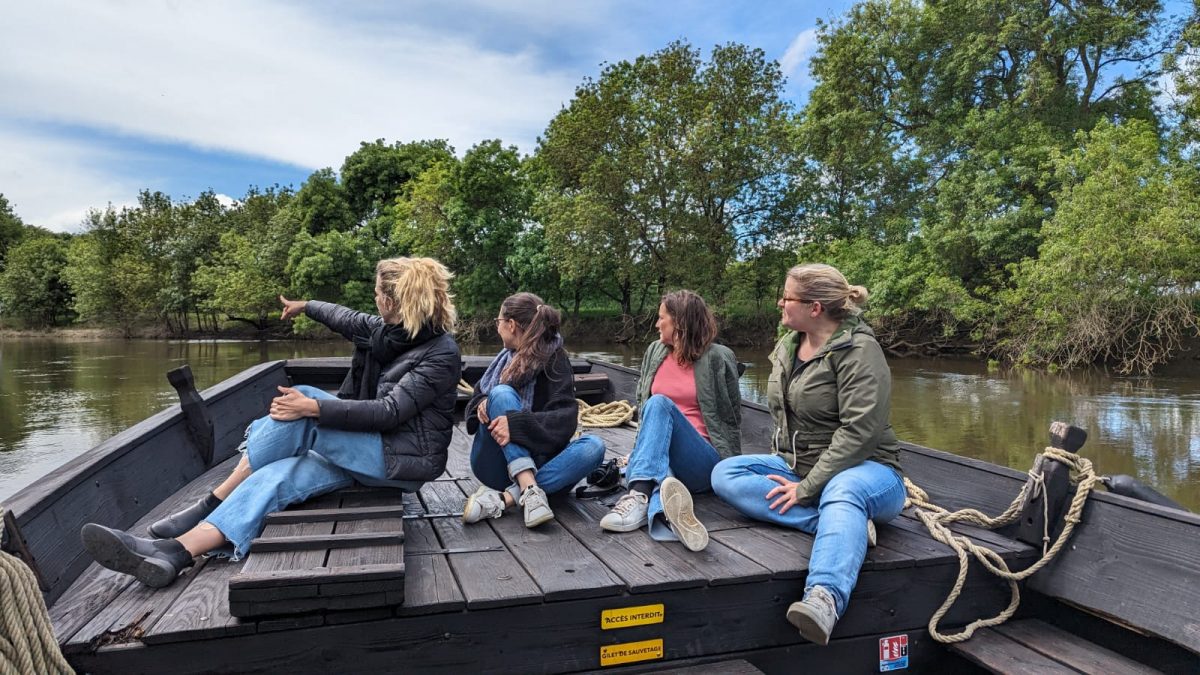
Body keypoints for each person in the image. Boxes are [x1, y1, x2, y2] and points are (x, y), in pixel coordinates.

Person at [80, 257, 462, 588]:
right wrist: (305, 305)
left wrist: (314, 411)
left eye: (377, 292)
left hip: (400, 462)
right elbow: (342, 316)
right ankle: (175, 553)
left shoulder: (440, 353)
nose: (374, 298)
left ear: (392, 301)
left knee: (306, 405)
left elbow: (390, 413)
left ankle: (215, 498)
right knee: (278, 475)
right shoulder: (386, 333)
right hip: (366, 450)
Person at [710, 263, 905, 646]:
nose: (780, 303)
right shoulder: (788, 345)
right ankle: (840, 525)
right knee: (725, 474)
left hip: (870, 471)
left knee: (843, 490)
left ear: (814, 307)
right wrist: (802, 480)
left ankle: (824, 598)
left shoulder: (859, 350)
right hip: (800, 467)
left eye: (788, 297)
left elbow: (860, 433)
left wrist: (807, 488)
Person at [599, 290, 741, 552]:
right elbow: (644, 409)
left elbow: (731, 416)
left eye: (661, 318)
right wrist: (640, 449)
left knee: (660, 403)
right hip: (659, 459)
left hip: (701, 461)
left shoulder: (718, 357)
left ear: (680, 323)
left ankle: (638, 494)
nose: (656, 324)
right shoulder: (655, 351)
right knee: (661, 463)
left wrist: (732, 470)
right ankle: (664, 519)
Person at [461, 293, 605, 528]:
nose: (497, 328)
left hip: (542, 460)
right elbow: (473, 406)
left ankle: (506, 498)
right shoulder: (504, 359)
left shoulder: (555, 360)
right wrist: (481, 404)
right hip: (495, 464)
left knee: (595, 447)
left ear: (511, 325)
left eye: (498, 322)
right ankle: (529, 488)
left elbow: (565, 420)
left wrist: (517, 425)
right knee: (501, 394)